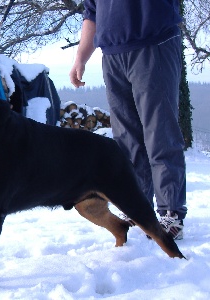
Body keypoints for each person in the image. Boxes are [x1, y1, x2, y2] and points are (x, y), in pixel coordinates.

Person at [69, 0, 187, 239]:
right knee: (127, 141)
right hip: (112, 54)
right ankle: (137, 207)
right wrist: (81, 57)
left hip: (154, 43)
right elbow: (92, 12)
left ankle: (170, 212)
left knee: (160, 133)